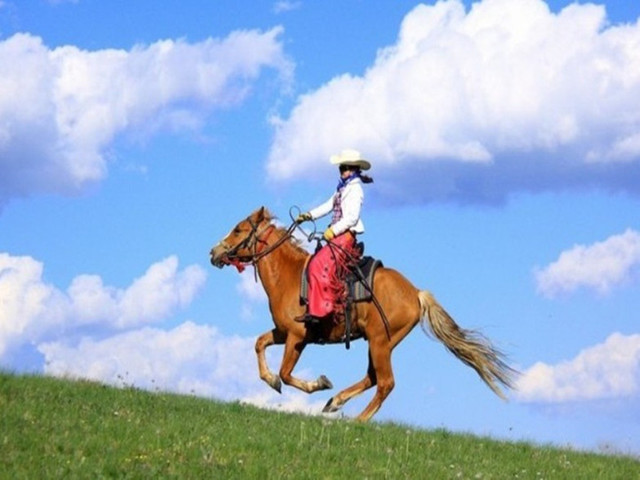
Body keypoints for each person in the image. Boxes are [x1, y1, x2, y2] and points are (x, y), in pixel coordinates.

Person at [295, 149, 373, 324]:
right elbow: (328, 206)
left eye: (345, 168)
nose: (342, 171)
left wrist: (333, 231)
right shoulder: (343, 188)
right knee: (316, 261)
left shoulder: (355, 190)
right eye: (341, 168)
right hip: (337, 235)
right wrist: (309, 215)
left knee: (317, 265)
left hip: (344, 236)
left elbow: (352, 218)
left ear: (353, 169)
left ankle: (322, 310)